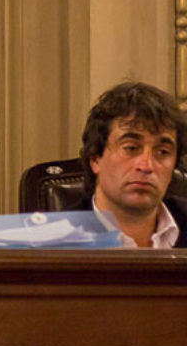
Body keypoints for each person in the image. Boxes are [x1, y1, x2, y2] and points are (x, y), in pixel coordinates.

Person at [66, 81, 187, 248]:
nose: (146, 166)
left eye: (163, 152)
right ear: (95, 159)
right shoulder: (55, 239)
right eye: (131, 148)